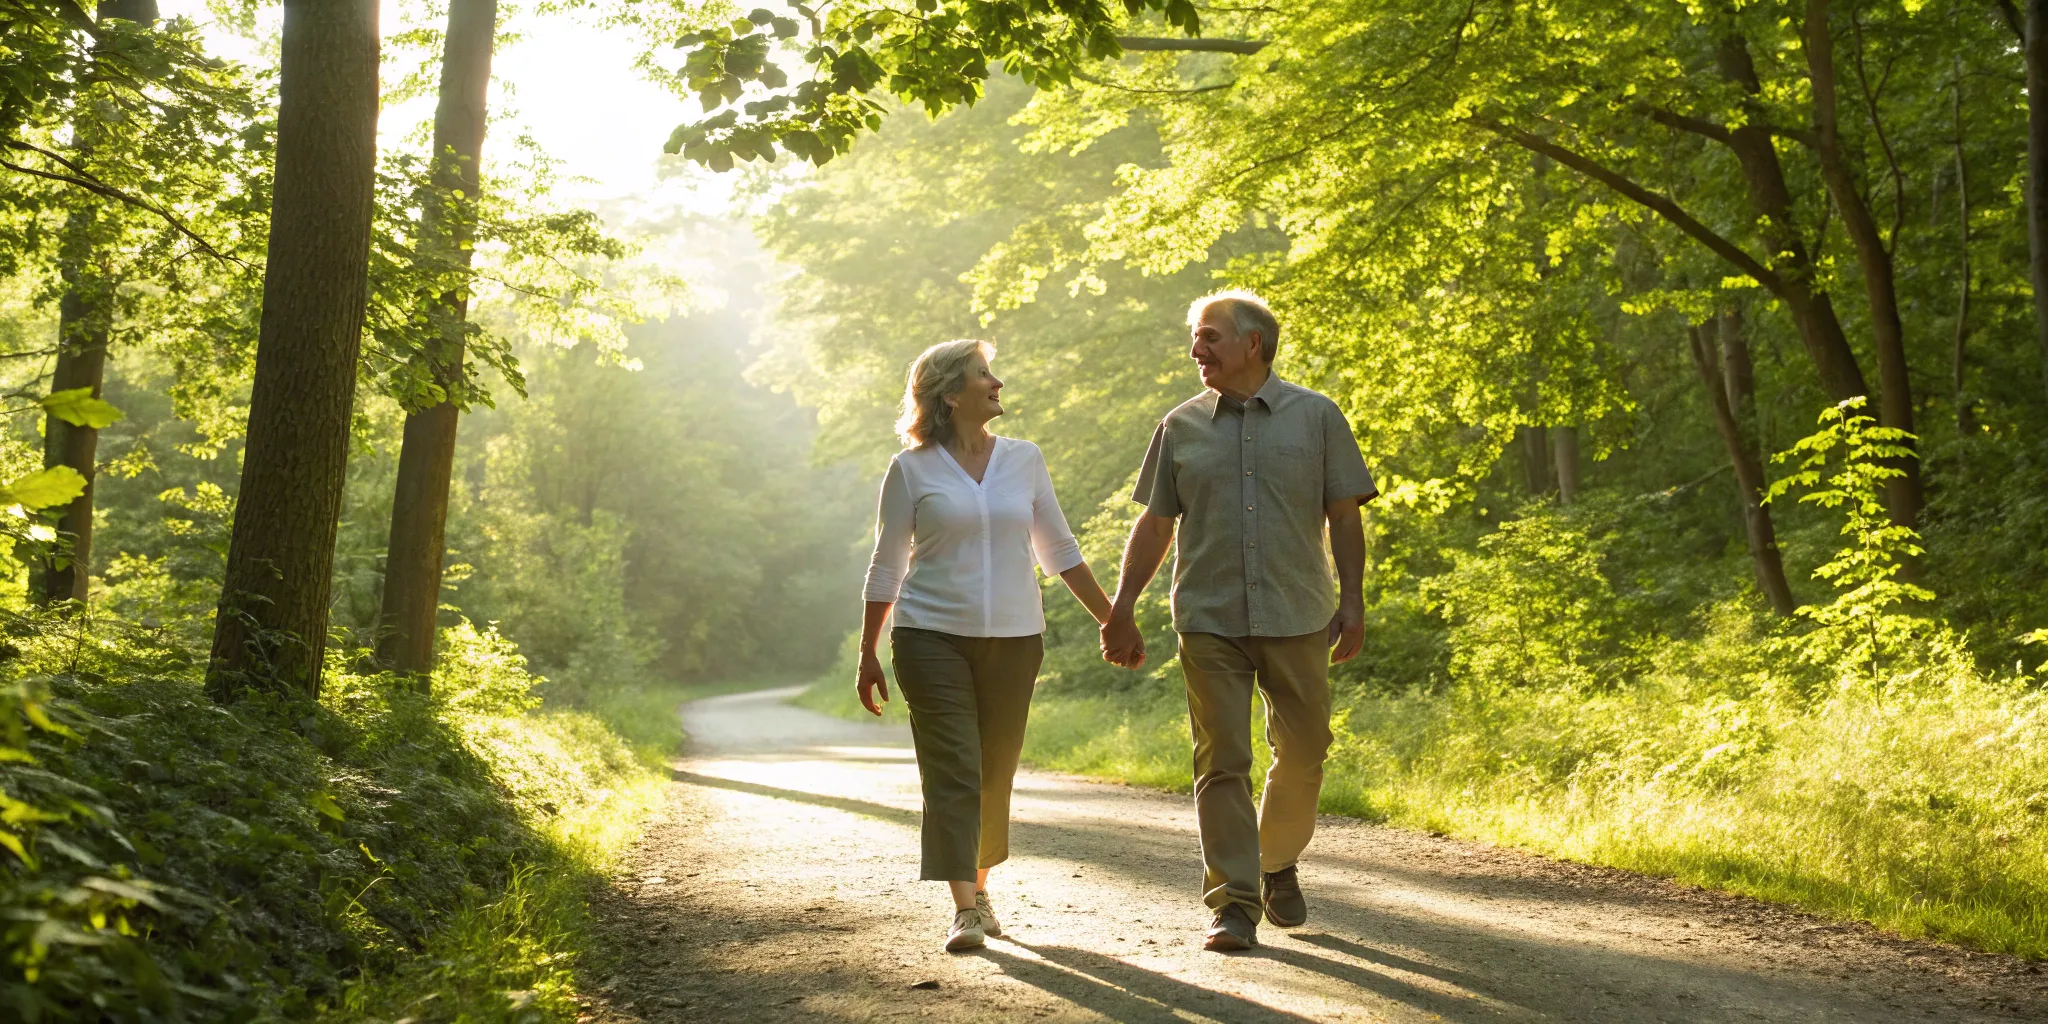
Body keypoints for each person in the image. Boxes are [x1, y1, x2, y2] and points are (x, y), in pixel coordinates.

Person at [1099, 290, 1376, 952]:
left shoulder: (1318, 417)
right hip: (1209, 616)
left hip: (1300, 611)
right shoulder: (1179, 426)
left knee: (1306, 751)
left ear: (1253, 343)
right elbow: (1156, 522)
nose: (1197, 349)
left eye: (1210, 336)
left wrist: (1355, 600)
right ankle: (1233, 904)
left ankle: (1276, 860)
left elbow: (1345, 514)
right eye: (1195, 338)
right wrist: (1122, 606)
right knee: (1222, 762)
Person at [858, 339, 1115, 953]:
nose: (997, 382)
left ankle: (980, 886)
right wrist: (869, 649)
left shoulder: (1024, 459)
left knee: (994, 771)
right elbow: (887, 563)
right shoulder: (911, 468)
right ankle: (965, 909)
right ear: (951, 393)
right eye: (983, 374)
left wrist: (1113, 618)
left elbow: (1059, 551)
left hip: (1015, 639)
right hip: (929, 637)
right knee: (954, 769)